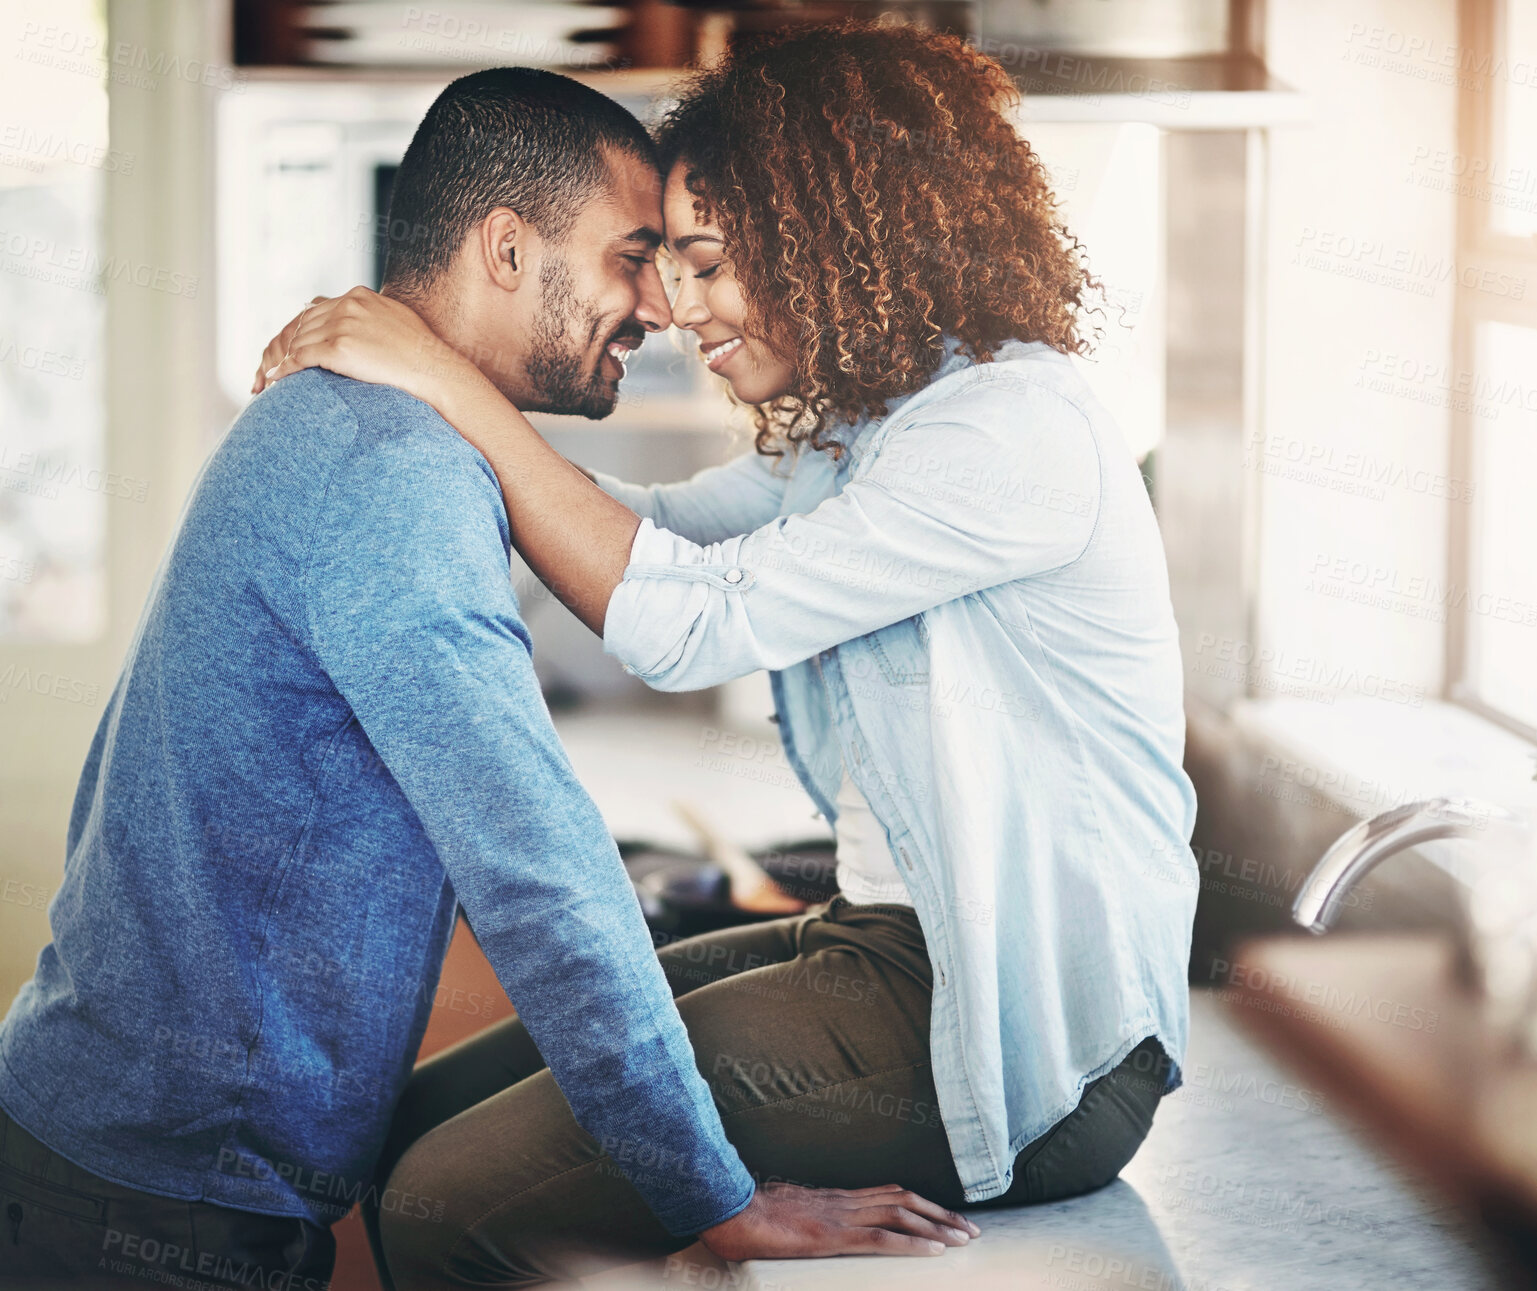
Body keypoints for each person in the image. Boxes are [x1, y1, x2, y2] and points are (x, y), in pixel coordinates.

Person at [256, 21, 1199, 1288]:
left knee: (442, 1207)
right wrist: (444, 400)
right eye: (665, 265)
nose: (674, 306)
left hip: (1038, 1047)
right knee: (410, 1127)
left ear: (835, 241)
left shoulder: (1010, 429)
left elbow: (690, 622)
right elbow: (648, 538)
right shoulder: (861, 430)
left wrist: (439, 378)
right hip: (883, 946)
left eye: (706, 262)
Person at [0, 66, 975, 1291]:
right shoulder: (391, 472)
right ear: (507, 248)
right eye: (633, 255)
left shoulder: (365, 426)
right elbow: (541, 873)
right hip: (152, 1201)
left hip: (133, 1154)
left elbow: (672, 556)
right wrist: (713, 1197)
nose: (663, 309)